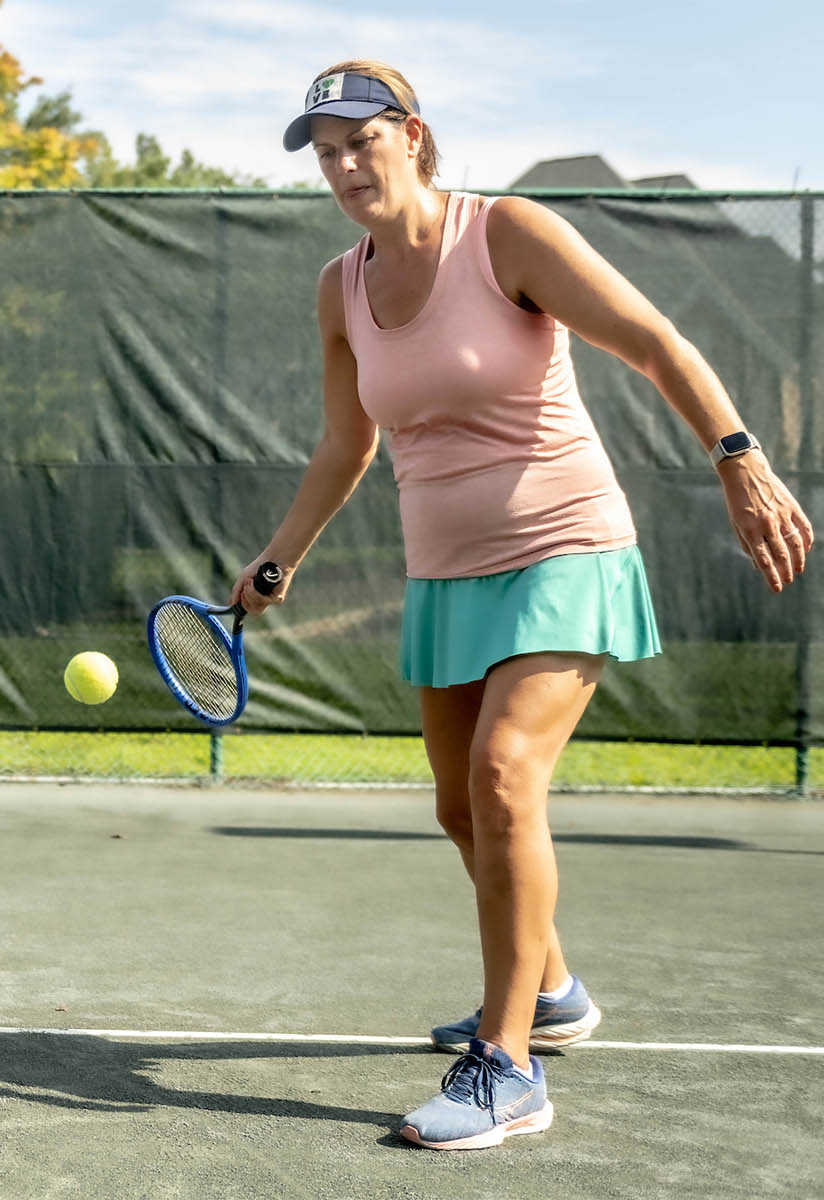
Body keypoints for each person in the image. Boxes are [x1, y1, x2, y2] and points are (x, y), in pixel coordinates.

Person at [256, 61, 812, 1148]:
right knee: (462, 810)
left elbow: (654, 340)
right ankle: (551, 994)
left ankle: (506, 1066)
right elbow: (346, 443)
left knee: (505, 775)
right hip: (444, 571)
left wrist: (739, 457)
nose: (345, 166)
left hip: (564, 547)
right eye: (325, 153)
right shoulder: (340, 288)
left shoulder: (505, 233)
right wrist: (280, 558)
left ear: (413, 136)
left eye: (361, 141)